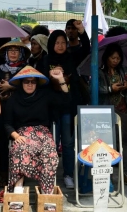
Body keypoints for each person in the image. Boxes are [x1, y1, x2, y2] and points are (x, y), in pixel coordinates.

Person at [4, 66, 69, 196]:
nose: (29, 84)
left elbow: (65, 101)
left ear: (37, 83)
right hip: (22, 134)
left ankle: (47, 194)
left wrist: (61, 79)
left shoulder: (45, 95)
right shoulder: (14, 99)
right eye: (26, 81)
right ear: (21, 83)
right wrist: (15, 136)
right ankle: (18, 190)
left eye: (33, 81)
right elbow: (7, 123)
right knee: (18, 149)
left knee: (50, 154)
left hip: (43, 133)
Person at [37, 30, 84, 189]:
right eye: (57, 42)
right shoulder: (45, 60)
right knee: (51, 143)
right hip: (49, 107)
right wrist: (52, 76)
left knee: (68, 143)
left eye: (63, 42)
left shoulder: (70, 59)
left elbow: (85, 51)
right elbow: (41, 82)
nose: (60, 45)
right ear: (51, 44)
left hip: (67, 107)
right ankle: (48, 174)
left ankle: (68, 174)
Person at [0, 40, 30, 186]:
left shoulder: (26, 69)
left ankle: (21, 174)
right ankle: (3, 174)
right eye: (10, 51)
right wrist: (0, 94)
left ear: (21, 53)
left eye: (16, 50)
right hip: (2, 110)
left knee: (21, 142)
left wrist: (11, 87)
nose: (13, 53)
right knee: (1, 142)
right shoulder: (0, 70)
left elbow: (30, 87)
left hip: (21, 109)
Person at [97, 42, 127, 185]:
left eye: (118, 58)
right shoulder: (100, 72)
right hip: (106, 109)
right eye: (113, 58)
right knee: (107, 143)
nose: (115, 61)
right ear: (107, 58)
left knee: (124, 142)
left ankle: (125, 173)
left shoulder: (123, 70)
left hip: (123, 108)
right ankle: (108, 173)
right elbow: (95, 88)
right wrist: (109, 88)